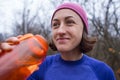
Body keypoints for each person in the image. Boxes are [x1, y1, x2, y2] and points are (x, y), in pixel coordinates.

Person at [0, 2, 116, 80]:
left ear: (83, 30)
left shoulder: (103, 72)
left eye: (69, 22)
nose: (60, 30)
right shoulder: (37, 67)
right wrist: (6, 62)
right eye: (55, 25)